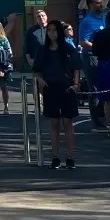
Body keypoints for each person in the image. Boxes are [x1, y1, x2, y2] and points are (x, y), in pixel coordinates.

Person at [34, 20, 80, 169]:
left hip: (67, 88)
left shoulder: (68, 48)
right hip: (50, 88)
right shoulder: (43, 50)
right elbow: (36, 69)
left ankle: (70, 157)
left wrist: (76, 84)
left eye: (54, 30)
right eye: (49, 30)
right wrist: (40, 80)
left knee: (67, 122)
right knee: (54, 122)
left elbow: (76, 67)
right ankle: (55, 157)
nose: (51, 33)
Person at [77, 0, 107, 128]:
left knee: (105, 86)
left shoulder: (103, 18)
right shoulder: (87, 21)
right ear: (90, 5)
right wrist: (98, 48)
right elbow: (83, 41)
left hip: (104, 57)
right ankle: (97, 119)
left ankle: (105, 115)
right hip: (91, 57)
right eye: (97, 3)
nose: (100, 5)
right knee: (94, 88)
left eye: (101, 3)